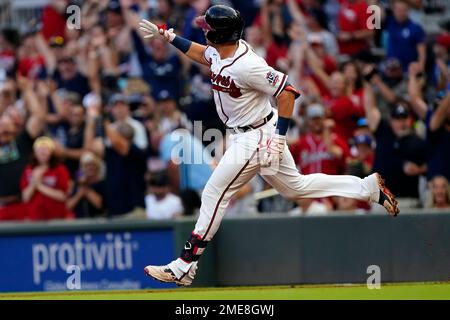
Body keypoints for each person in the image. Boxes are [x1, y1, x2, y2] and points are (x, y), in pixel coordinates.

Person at [139, 5, 399, 286]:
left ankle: (185, 264)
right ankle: (366, 188)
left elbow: (287, 92)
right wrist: (168, 37)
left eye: (208, 29)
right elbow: (203, 54)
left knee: (215, 191)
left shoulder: (247, 64)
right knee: (294, 187)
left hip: (257, 135)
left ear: (220, 34)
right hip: (246, 132)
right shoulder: (220, 49)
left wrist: (279, 137)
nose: (203, 31)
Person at [0, 76, 47, 220]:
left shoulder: (23, 141)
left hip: (23, 204)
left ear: (15, 129)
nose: (4, 133)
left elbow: (38, 116)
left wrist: (27, 90)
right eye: (1, 130)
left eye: (7, 131)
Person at [20, 137, 72, 221]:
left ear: (51, 152)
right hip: (34, 218)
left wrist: (39, 185)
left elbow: (63, 196)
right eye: (39, 149)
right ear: (34, 152)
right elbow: (25, 197)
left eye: (46, 149)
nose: (42, 152)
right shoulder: (29, 170)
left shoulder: (60, 169)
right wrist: (34, 182)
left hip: (56, 218)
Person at [67, 152, 106, 218]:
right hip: (78, 222)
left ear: (97, 167)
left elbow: (100, 205)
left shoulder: (102, 183)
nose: (90, 167)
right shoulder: (78, 184)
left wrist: (86, 190)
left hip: (98, 221)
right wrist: (80, 193)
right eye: (87, 165)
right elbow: (68, 206)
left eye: (93, 164)